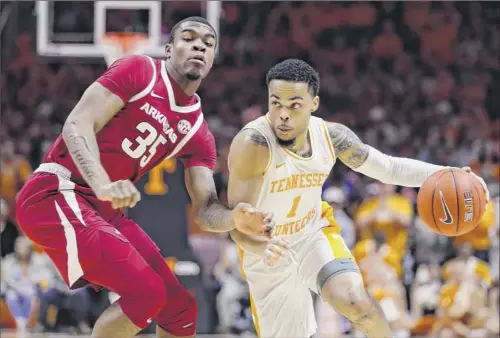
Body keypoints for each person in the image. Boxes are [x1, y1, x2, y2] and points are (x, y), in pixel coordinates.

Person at [15, 17, 273, 338]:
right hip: (57, 191)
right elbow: (77, 124)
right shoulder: (139, 70)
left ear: (212, 60)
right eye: (189, 38)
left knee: (180, 311)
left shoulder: (197, 132)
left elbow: (206, 211)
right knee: (146, 293)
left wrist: (235, 219)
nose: (198, 46)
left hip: (103, 211)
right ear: (168, 49)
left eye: (208, 43)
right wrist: (103, 184)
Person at [226, 59, 490, 338]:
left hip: (312, 232)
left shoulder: (331, 136)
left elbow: (389, 168)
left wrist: (451, 174)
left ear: (313, 104)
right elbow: (236, 224)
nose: (283, 114)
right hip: (268, 248)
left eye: (294, 105)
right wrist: (260, 245)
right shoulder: (252, 144)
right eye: (276, 103)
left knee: (358, 304)